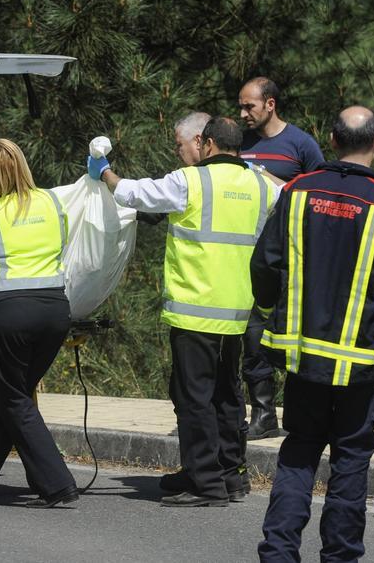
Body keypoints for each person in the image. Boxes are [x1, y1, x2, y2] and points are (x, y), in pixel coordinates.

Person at [252, 106, 374, 562]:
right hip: (362, 365)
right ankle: (340, 557)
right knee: (350, 462)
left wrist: (269, 314)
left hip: (302, 359)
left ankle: (279, 553)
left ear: (331, 137)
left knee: (299, 453)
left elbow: (266, 264)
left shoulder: (298, 190)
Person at [96, 114, 278, 507]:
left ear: (207, 144)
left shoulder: (190, 180)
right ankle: (230, 475)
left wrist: (105, 173)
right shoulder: (261, 184)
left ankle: (204, 482)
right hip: (236, 311)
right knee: (227, 396)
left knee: (193, 398)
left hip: (195, 308)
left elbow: (134, 194)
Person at [0, 139, 78, 509]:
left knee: (13, 397)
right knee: (15, 397)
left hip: (12, 313)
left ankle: (57, 482)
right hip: (56, 310)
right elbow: (62, 245)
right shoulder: (52, 201)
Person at [237, 76, 325, 441]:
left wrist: (271, 180)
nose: (242, 114)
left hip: (289, 258)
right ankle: (262, 411)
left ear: (270, 104)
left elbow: (320, 194)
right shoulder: (238, 143)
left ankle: (304, 413)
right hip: (245, 255)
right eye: (240, 106)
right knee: (251, 335)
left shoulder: (301, 145)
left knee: (291, 338)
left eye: (249, 106)